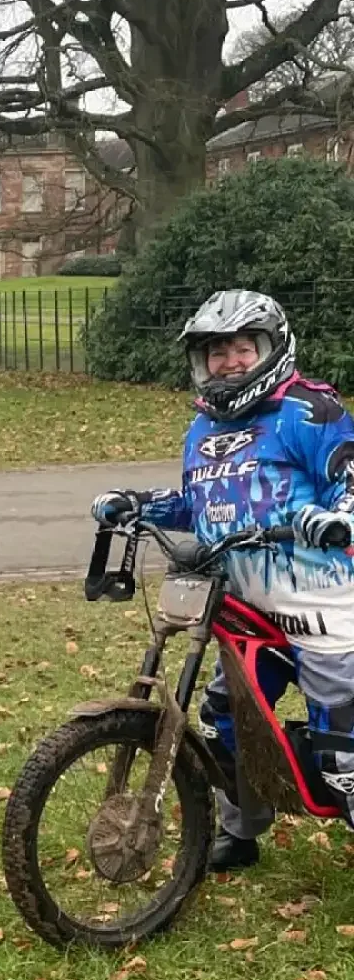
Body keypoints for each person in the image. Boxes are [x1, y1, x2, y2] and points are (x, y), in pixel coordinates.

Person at [92, 289, 354, 871]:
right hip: (243, 609)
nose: (230, 361)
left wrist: (337, 518)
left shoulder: (312, 410)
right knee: (225, 720)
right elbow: (196, 504)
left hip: (325, 608)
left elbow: (350, 480)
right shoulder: (203, 428)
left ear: (272, 348)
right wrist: (136, 505)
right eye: (216, 351)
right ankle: (241, 831)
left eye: (243, 347)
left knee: (342, 751)